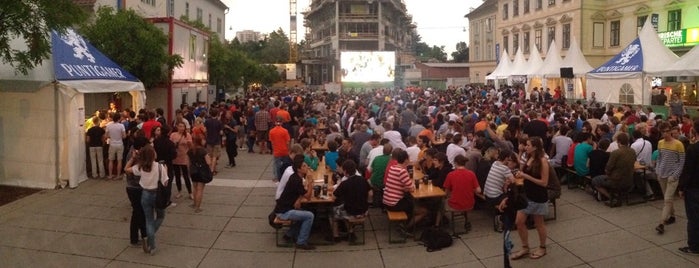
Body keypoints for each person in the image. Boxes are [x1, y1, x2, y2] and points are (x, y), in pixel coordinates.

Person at [124, 144, 168, 255]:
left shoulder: (141, 166)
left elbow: (126, 169)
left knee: (148, 219)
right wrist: (165, 171)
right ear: (153, 155)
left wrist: (133, 158)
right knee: (160, 216)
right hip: (157, 194)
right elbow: (165, 183)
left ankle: (151, 244)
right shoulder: (159, 167)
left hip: (145, 194)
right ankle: (150, 237)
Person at [511, 136, 550, 260]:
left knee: (539, 224)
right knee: (519, 222)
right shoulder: (528, 157)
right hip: (526, 195)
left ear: (535, 147)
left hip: (538, 196)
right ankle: (525, 247)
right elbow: (523, 172)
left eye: (527, 145)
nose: (525, 146)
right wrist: (518, 174)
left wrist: (526, 177)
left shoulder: (542, 161)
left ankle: (542, 247)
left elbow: (544, 182)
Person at [274, 155, 316, 250]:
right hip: (284, 212)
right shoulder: (296, 180)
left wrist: (299, 199)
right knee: (310, 215)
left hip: (284, 207)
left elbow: (300, 192)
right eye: (304, 166)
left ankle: (289, 234)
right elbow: (308, 197)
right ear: (299, 169)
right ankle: (301, 242)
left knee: (307, 210)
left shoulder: (295, 177)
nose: (307, 167)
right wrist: (310, 183)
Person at [383, 149, 426, 232]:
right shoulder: (402, 171)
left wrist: (405, 188)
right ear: (406, 160)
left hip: (387, 201)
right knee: (423, 211)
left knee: (411, 201)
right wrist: (408, 187)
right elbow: (412, 188)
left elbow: (400, 185)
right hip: (395, 203)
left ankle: (405, 222)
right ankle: (407, 227)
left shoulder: (393, 168)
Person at [331, 159, 372, 242]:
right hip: (364, 211)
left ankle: (336, 236)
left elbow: (333, 197)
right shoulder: (362, 179)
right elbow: (371, 193)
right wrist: (366, 203)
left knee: (334, 211)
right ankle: (350, 231)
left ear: (345, 171)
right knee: (348, 207)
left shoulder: (345, 183)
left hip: (351, 212)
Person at [655, 123, 685, 235]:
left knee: (667, 199)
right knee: (668, 198)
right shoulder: (660, 143)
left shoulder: (678, 144)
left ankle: (661, 223)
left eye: (667, 131)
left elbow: (682, 161)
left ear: (671, 131)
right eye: (663, 132)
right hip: (662, 174)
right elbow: (659, 158)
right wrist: (657, 171)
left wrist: (675, 175)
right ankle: (672, 215)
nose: (665, 134)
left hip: (672, 175)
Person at [591, 133, 636, 206]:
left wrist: (608, 174)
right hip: (629, 179)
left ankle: (611, 197)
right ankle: (615, 195)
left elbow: (608, 168)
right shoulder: (632, 151)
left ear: (618, 142)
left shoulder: (615, 153)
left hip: (616, 180)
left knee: (595, 180)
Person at [443, 155, 483, 232]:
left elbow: (446, 192)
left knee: (442, 203)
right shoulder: (471, 174)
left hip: (455, 204)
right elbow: (478, 190)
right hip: (469, 204)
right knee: (463, 199)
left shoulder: (451, 175)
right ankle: (466, 220)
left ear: (455, 163)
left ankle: (439, 224)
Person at [679, 120, 699, 254]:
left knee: (694, 218)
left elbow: (688, 171)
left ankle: (694, 246)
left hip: (694, 188)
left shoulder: (693, 149)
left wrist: (681, 188)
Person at [188, 136, 213, 213]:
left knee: (195, 188)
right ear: (200, 141)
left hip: (193, 171)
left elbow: (188, 162)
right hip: (202, 171)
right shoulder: (203, 151)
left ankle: (194, 203)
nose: (204, 141)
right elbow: (208, 162)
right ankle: (198, 207)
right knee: (200, 190)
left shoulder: (190, 150)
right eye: (203, 140)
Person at [170, 122, 193, 200]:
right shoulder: (173, 135)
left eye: (183, 126)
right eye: (180, 126)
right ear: (177, 127)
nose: (181, 128)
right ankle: (179, 191)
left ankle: (190, 192)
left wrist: (188, 143)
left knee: (186, 175)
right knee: (177, 175)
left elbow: (191, 146)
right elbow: (170, 144)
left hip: (184, 156)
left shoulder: (187, 135)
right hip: (175, 157)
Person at [106, 113, 127, 180]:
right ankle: (118, 175)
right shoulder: (121, 126)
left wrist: (111, 136)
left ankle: (110, 175)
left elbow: (106, 136)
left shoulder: (108, 125)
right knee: (119, 160)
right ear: (118, 118)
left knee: (111, 160)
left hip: (112, 144)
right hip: (120, 144)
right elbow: (124, 136)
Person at [204, 109, 223, 175]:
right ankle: (212, 170)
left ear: (210, 114)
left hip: (209, 140)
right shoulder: (219, 122)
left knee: (209, 156)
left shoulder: (207, 121)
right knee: (215, 156)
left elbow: (205, 130)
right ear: (217, 114)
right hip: (217, 141)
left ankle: (210, 169)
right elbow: (221, 132)